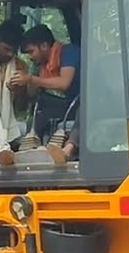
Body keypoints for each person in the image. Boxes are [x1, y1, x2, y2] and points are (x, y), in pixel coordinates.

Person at [10, 25, 80, 157]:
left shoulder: (69, 52)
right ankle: (34, 147)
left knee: (84, 109)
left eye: (31, 52)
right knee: (40, 108)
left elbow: (64, 83)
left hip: (80, 103)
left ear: (43, 45)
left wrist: (31, 79)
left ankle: (64, 147)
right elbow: (33, 95)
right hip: (64, 105)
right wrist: (20, 87)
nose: (30, 57)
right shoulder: (42, 66)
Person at [0, 20, 30, 165]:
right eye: (6, 49)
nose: (10, 54)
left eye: (13, 51)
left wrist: (19, 91)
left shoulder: (21, 66)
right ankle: (2, 149)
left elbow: (21, 109)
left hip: (10, 123)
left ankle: (5, 150)